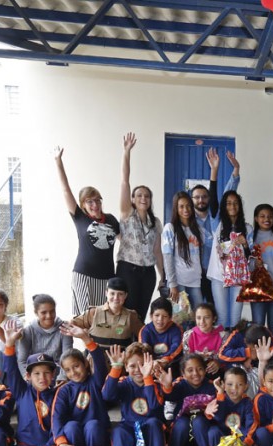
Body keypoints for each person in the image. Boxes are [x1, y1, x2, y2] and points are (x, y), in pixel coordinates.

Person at [102, 342, 169, 446]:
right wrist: (115, 368)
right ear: (126, 367)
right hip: (130, 428)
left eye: (142, 365)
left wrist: (148, 378)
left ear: (150, 364)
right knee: (118, 431)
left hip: (149, 429)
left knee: (154, 422)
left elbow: (154, 406)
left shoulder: (154, 383)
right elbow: (107, 396)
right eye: (132, 365)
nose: (138, 369)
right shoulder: (124, 382)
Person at [54, 146, 120, 313]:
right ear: (83, 204)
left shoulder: (111, 219)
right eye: (90, 201)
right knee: (85, 318)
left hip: (106, 278)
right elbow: (65, 189)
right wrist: (58, 161)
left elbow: (125, 241)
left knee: (102, 320)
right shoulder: (80, 218)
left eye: (98, 200)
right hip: (84, 275)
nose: (95, 205)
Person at [117, 132, 162, 319]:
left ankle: (137, 346)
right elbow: (125, 182)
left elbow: (157, 251)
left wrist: (163, 276)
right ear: (133, 200)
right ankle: (124, 347)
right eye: (139, 195)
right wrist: (127, 152)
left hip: (148, 273)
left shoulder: (155, 222)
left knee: (141, 313)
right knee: (126, 312)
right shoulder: (127, 214)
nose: (143, 198)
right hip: (128, 269)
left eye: (147, 195)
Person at [50, 330, 111, 446]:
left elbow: (99, 361)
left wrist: (85, 338)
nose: (73, 372)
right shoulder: (64, 391)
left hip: (98, 439)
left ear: (85, 363)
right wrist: (61, 443)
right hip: (74, 442)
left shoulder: (96, 381)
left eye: (76, 366)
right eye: (67, 370)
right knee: (71, 426)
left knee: (93, 425)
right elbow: (57, 418)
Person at [191, 148, 240, 305]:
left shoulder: (216, 217)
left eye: (204, 197)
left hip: (217, 273)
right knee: (195, 312)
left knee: (217, 311)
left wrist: (233, 170)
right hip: (195, 275)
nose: (201, 200)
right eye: (197, 197)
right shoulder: (188, 221)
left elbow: (228, 193)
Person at [160, 354, 219, 446]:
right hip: (181, 436)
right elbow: (170, 396)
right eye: (190, 370)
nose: (195, 373)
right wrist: (167, 386)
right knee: (182, 423)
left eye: (200, 369)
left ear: (205, 369)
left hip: (202, 434)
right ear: (183, 373)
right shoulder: (179, 385)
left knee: (199, 421)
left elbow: (218, 409)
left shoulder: (211, 387)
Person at [207, 189, 252, 328]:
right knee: (221, 317)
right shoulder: (217, 224)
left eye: (235, 203)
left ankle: (233, 346)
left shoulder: (248, 228)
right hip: (219, 277)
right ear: (224, 206)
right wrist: (214, 172)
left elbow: (250, 256)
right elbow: (213, 201)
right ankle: (222, 348)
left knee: (235, 318)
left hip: (238, 278)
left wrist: (244, 243)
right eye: (228, 203)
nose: (232, 206)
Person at [69, 276, 144, 348]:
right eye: (112, 293)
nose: (116, 298)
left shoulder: (131, 316)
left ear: (125, 296)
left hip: (120, 360)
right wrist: (84, 337)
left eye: (120, 294)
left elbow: (145, 334)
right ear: (106, 293)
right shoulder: (93, 313)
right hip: (95, 359)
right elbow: (71, 324)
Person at [162, 191, 206, 310]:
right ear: (176, 208)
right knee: (181, 318)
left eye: (188, 206)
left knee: (199, 316)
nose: (185, 209)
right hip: (179, 281)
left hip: (195, 281)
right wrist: (172, 284)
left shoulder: (198, 229)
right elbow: (167, 257)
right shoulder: (170, 228)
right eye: (181, 206)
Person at [16, 293, 73, 381]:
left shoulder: (64, 328)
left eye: (52, 311)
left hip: (58, 375)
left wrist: (62, 378)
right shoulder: (28, 331)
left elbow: (67, 357)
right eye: (43, 312)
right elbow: (22, 361)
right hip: (36, 378)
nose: (49, 316)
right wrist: (28, 378)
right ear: (36, 313)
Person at [204, 366, 254, 446]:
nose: (234, 388)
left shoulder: (248, 403)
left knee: (246, 433)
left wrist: (246, 443)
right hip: (222, 435)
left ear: (246, 386)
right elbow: (218, 418)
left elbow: (250, 425)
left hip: (239, 438)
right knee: (213, 431)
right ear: (223, 384)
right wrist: (220, 392)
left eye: (240, 384)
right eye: (230, 384)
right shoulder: (220, 398)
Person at [218, 324, 273, 397]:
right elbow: (222, 355)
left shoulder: (265, 334)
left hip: (257, 366)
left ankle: (255, 398)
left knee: (268, 374)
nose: (255, 351)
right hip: (238, 363)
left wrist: (256, 359)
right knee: (238, 374)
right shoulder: (237, 334)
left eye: (256, 349)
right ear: (245, 341)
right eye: (252, 348)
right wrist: (247, 353)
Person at [138, 297, 184, 371]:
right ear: (151, 316)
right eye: (157, 315)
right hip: (150, 365)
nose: (160, 319)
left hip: (171, 364)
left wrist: (165, 360)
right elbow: (143, 348)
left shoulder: (177, 330)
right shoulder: (145, 330)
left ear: (170, 317)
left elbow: (176, 347)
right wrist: (153, 363)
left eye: (165, 316)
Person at [185, 302, 224, 377]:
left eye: (206, 317)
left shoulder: (222, 336)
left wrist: (218, 363)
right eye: (198, 318)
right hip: (195, 373)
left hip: (214, 372)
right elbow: (187, 360)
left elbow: (225, 357)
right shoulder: (188, 335)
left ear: (214, 319)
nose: (202, 322)